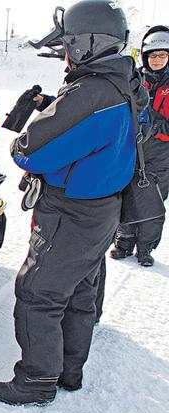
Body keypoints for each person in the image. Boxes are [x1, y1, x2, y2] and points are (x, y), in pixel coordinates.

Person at [0, 0, 148, 406]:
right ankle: (69, 371)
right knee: (79, 292)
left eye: (68, 46)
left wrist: (39, 122)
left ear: (85, 44)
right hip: (102, 207)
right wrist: (53, 108)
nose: (64, 54)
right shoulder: (126, 82)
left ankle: (36, 380)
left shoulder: (90, 93)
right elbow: (99, 132)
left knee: (38, 293)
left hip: (70, 212)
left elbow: (30, 151)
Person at [110, 25, 169, 267]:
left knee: (152, 202)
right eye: (153, 55)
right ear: (145, 56)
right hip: (131, 150)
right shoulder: (135, 80)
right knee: (126, 196)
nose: (157, 60)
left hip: (160, 154)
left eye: (163, 55)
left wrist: (156, 125)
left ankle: (145, 248)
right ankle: (123, 243)